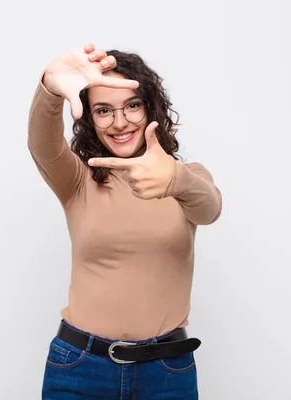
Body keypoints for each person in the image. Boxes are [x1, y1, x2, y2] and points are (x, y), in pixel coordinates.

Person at [28, 43, 222, 399]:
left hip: (166, 372)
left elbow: (209, 209)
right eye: (103, 110)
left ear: (151, 108)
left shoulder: (186, 177)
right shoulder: (77, 179)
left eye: (132, 105)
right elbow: (42, 145)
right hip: (79, 368)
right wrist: (50, 88)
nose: (120, 122)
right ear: (89, 118)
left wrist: (176, 180)